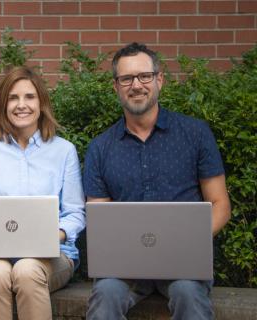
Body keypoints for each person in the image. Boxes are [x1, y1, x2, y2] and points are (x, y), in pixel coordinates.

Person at [83, 42, 231, 319]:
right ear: (116, 86)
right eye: (126, 78)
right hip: (124, 266)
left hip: (184, 261)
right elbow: (98, 217)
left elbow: (220, 203)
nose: (136, 85)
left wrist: (188, 241)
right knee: (105, 297)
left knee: (189, 294)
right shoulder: (100, 148)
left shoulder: (195, 134)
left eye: (144, 76)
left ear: (159, 80)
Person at [0, 66, 85, 320]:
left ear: (42, 103)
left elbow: (74, 214)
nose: (21, 105)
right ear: (3, 105)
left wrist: (50, 237)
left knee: (27, 270)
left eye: (29, 97)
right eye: (13, 98)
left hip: (52, 257)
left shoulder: (64, 151)